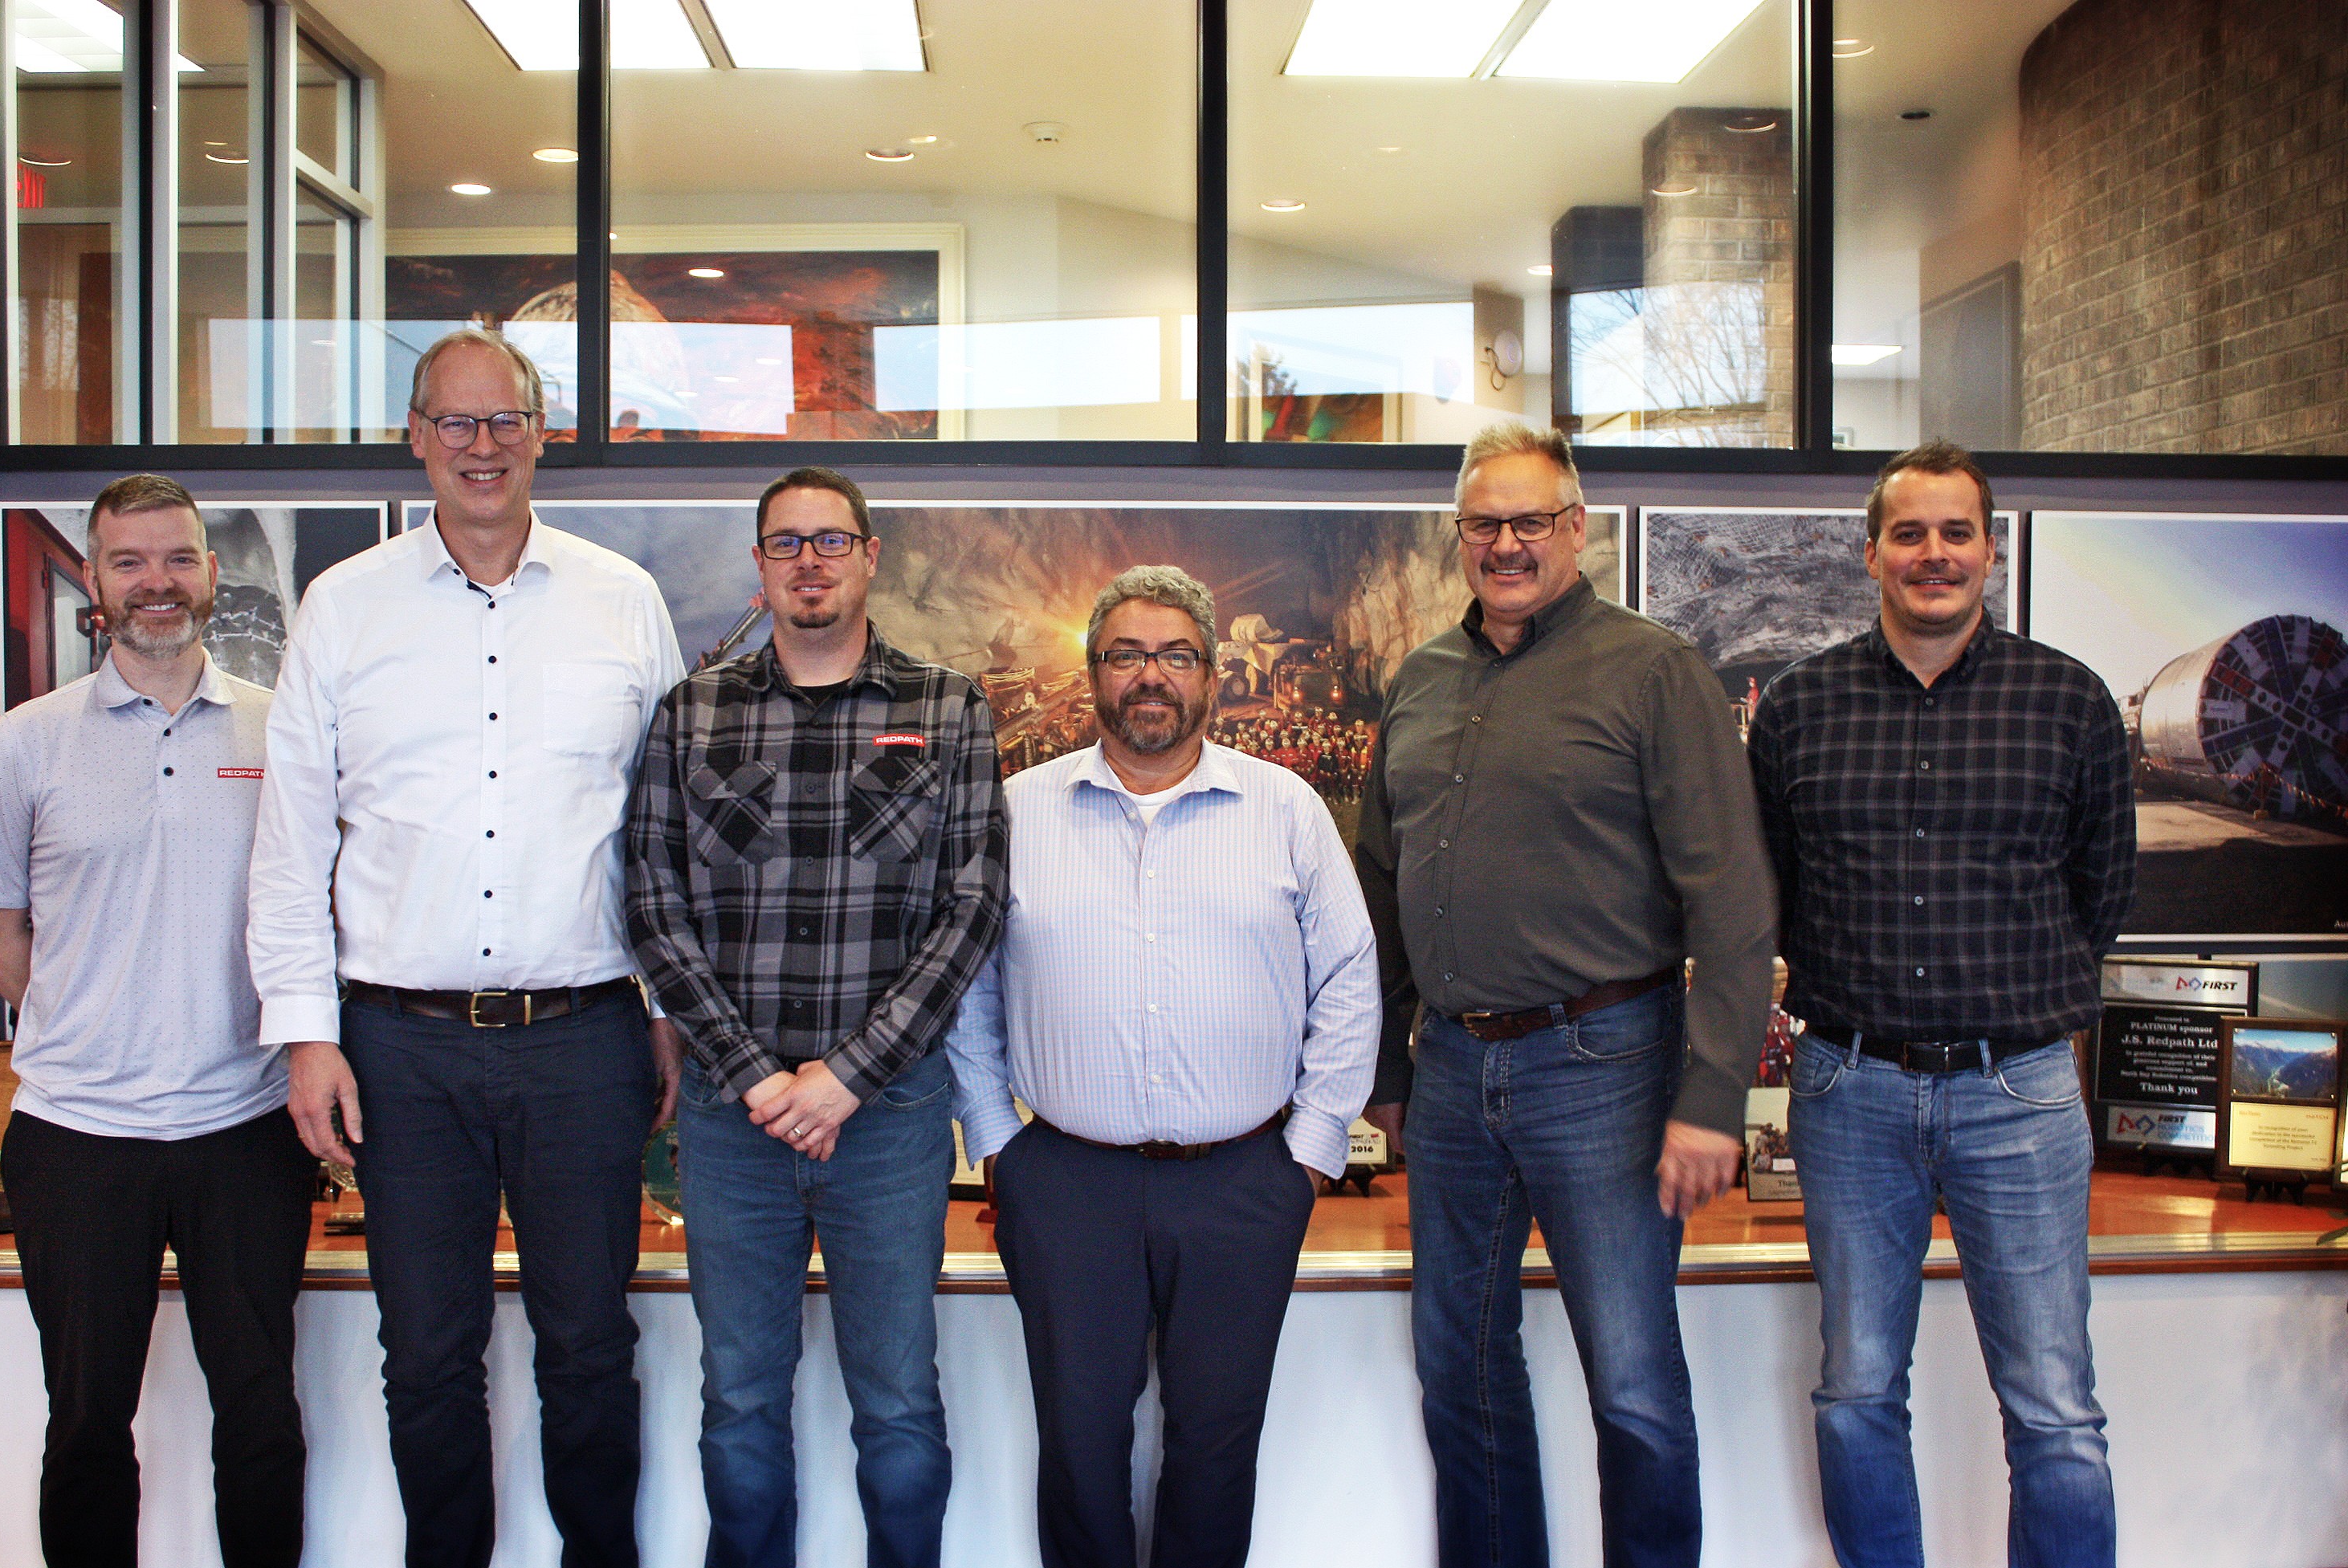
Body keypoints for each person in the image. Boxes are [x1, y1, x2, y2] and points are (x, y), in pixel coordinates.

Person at [249, 329, 686, 1568]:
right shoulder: (344, 609)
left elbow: (659, 829)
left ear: (541, 432)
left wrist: (658, 1006)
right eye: (457, 422)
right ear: (417, 436)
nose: (481, 447)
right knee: (427, 1352)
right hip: (400, 1047)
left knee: (591, 1341)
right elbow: (290, 845)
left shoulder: (622, 600)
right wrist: (307, 1038)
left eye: (504, 422)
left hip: (585, 1038)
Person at [1355, 421, 1776, 1568]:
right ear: (1459, 538)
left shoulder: (1653, 670)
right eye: (1483, 524)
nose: (1505, 543)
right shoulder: (1424, 679)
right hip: (1449, 1075)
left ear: (1576, 528)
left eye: (1528, 521)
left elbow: (1732, 900)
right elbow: (1378, 881)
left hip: (1609, 1069)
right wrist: (1391, 1071)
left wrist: (1711, 1096)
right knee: (1460, 1366)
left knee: (1633, 1383)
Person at [947, 565, 1380, 1568]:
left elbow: (1350, 978)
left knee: (1217, 1445)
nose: (1152, 676)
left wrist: (1310, 1152)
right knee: (1080, 1446)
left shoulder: (1286, 809)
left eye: (1175, 655)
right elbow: (965, 989)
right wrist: (1002, 1146)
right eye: (1127, 655)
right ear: (1094, 674)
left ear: (1213, 675)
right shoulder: (1014, 812)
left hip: (1244, 1183)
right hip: (1065, 1181)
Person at [1748, 441, 2133, 1568]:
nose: (1933, 556)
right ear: (1871, 552)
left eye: (1955, 532)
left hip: (2019, 1090)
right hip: (1849, 1090)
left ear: (1990, 550)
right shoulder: (1803, 707)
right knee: (1857, 1388)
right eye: (1908, 533)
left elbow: (2101, 891)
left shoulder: (2067, 700)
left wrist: (2009, 1002)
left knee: (2054, 1404)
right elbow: (1771, 887)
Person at [625, 465, 1007, 1568]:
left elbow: (972, 909)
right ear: (760, 564)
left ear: (870, 554)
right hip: (727, 1122)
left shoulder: (949, 708)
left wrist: (845, 1077)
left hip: (885, 1123)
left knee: (896, 1403)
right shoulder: (693, 713)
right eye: (785, 543)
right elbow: (653, 905)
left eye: (830, 540)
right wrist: (754, 1076)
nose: (809, 561)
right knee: (739, 1400)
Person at [0, 473, 316, 1567]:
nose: (158, 582)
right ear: (99, 586)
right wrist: (95, 1019)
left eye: (178, 558)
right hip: (78, 1141)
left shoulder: (277, 731)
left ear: (210, 573)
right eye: (130, 561)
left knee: (261, 1418)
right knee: (87, 1420)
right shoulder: (25, 744)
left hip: (245, 1133)